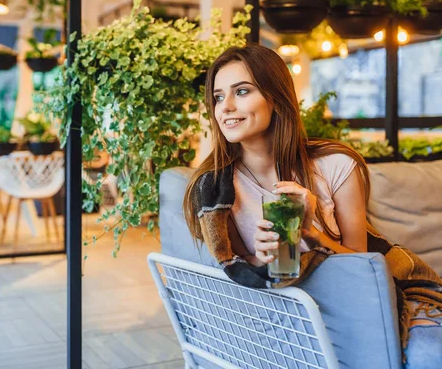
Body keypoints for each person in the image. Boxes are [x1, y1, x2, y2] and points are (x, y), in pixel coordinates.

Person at [182, 45, 442, 368]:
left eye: (242, 91)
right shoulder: (215, 191)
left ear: (275, 98)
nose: (226, 107)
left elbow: (362, 268)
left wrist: (314, 235)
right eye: (218, 97)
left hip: (362, 304)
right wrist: (257, 259)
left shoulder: (334, 165)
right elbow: (236, 273)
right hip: (289, 322)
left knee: (431, 354)